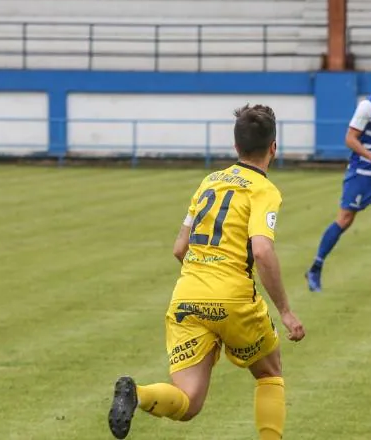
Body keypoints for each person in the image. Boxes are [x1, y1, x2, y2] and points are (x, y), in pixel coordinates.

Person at [107, 104, 306, 440]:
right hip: (234, 297)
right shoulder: (263, 189)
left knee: (188, 402)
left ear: (235, 147)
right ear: (274, 147)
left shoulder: (209, 182)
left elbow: (179, 248)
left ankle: (137, 394)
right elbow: (261, 249)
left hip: (187, 296)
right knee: (270, 373)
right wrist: (285, 311)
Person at [305, 62, 371, 292]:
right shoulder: (367, 106)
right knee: (345, 220)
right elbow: (350, 139)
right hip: (361, 174)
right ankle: (315, 268)